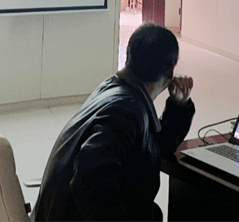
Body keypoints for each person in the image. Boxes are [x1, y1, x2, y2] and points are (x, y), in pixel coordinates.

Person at [32, 23, 195, 221]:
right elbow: (88, 183)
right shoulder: (125, 113)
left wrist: (179, 105)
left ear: (129, 57)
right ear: (170, 72)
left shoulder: (115, 89)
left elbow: (156, 147)